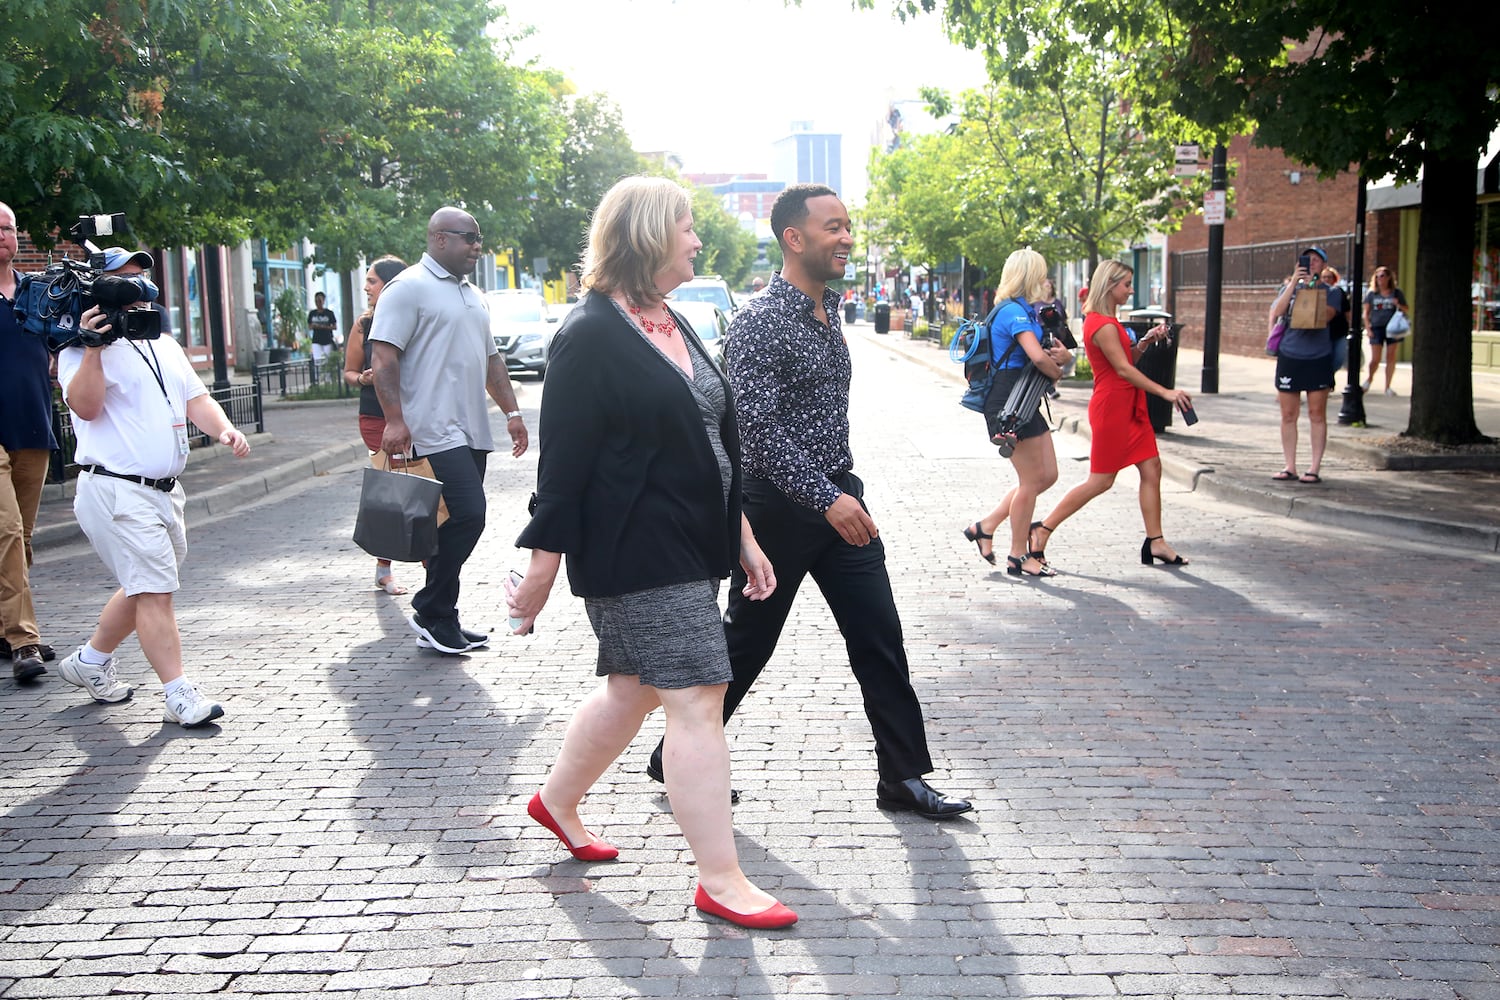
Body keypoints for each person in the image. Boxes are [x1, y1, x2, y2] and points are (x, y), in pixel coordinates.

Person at [506, 176, 795, 930]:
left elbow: (706, 442)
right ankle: (721, 878)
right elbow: (562, 463)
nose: (699, 239)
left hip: (688, 543)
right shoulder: (591, 333)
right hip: (634, 547)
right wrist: (543, 563)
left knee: (632, 688)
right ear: (646, 235)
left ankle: (557, 802)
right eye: (688, 227)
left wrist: (743, 537)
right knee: (698, 698)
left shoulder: (667, 318)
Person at [643, 183, 973, 821]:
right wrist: (826, 499)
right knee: (746, 645)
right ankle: (673, 755)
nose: (846, 237)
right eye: (833, 227)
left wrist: (838, 496)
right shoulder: (761, 322)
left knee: (880, 637)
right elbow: (757, 434)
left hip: (839, 502)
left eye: (849, 226)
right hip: (779, 514)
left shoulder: (831, 309)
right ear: (794, 238)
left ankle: (901, 777)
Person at [55, 248, 251, 726]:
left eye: (141, 279)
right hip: (115, 489)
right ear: (98, 290)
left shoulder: (162, 341)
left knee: (144, 587)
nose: (137, 290)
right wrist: (95, 347)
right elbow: (85, 407)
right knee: (155, 591)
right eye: (123, 282)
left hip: (165, 491)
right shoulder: (77, 347)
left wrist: (223, 429)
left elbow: (195, 397)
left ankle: (90, 661)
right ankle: (178, 693)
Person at [367, 207, 529, 655]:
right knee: (470, 515)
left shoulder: (473, 294)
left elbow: (491, 360)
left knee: (452, 523)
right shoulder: (407, 288)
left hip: (471, 429)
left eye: (479, 238)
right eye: (469, 238)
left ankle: (441, 616)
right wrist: (396, 420)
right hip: (430, 430)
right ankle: (433, 609)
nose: (477, 246)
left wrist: (512, 413)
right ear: (439, 238)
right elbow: (383, 358)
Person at [1027, 261, 1194, 569]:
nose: (1130, 290)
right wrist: (1166, 392)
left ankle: (1155, 541)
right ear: (1110, 285)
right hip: (1113, 408)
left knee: (1151, 467)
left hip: (1128, 405)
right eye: (1126, 285)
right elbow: (1121, 369)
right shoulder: (1102, 323)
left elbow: (1125, 359)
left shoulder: (1106, 321)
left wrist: (1144, 342)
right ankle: (1043, 529)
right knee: (1101, 481)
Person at [961, 248, 1074, 577]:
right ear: (1029, 275)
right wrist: (1061, 368)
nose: (1045, 279)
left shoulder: (1022, 310)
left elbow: (1044, 357)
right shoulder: (1013, 313)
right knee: (1030, 481)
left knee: (1046, 476)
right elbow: (1038, 358)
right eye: (1041, 273)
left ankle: (986, 525)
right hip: (1009, 404)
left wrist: (1061, 362)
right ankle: (1017, 555)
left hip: (1025, 399)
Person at [0, 201, 57, 682]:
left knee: (23, 536)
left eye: (8, 228)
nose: (3, 234)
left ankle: (4, 627)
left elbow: (62, 342)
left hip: (33, 423)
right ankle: (24, 640)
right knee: (7, 531)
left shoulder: (35, 293)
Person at [343, 255, 408, 595]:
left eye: (372, 281)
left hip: (415, 416)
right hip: (375, 418)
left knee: (424, 486)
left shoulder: (415, 317)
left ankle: (430, 562)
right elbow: (349, 372)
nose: (366, 287)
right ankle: (384, 568)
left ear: (391, 285)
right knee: (392, 490)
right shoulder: (363, 325)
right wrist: (364, 379)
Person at [1267, 245, 1337, 483]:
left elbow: (1325, 316)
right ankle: (1290, 465)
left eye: (1317, 260)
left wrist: (1313, 287)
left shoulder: (1331, 292)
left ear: (1324, 265)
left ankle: (1314, 467)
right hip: (1290, 356)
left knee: (1317, 413)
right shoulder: (1290, 288)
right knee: (1288, 414)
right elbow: (1276, 312)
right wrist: (1294, 284)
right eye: (1307, 260)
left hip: (1318, 357)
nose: (1312, 264)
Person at [1361, 266, 1409, 397]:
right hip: (1376, 327)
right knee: (1375, 358)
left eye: (1382, 276)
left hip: (1393, 327)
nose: (1379, 279)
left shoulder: (1396, 293)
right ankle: (1369, 379)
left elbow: (1406, 309)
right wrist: (1368, 328)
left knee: (1391, 356)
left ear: (1388, 277)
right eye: (1377, 276)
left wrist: (1397, 304)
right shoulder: (1372, 294)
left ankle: (1388, 386)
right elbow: (1366, 313)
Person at [1033, 277, 1070, 398]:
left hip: (1056, 334)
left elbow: (1064, 318)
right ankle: (1049, 387)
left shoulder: (1057, 302)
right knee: (1046, 358)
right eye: (1045, 287)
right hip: (1042, 334)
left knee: (1056, 358)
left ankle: (1051, 386)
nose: (1047, 289)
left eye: (1049, 286)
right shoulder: (1036, 303)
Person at [1322, 266, 1352, 381]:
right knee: (1326, 358)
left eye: (1329, 277)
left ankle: (1329, 377)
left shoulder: (1339, 292)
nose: (1326, 279)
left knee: (1339, 358)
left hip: (1340, 331)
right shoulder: (1317, 293)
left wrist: (1351, 327)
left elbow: (1347, 312)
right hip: (1324, 332)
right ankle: (1326, 381)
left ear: (1334, 279)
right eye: (1324, 277)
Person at [307, 291, 338, 365]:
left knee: (327, 361)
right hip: (316, 340)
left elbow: (334, 326)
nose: (318, 303)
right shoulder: (312, 313)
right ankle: (318, 376)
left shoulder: (329, 313)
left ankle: (328, 376)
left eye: (320, 301)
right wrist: (315, 326)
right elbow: (309, 326)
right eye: (316, 301)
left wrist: (324, 327)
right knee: (317, 361)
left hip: (327, 340)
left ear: (323, 301)